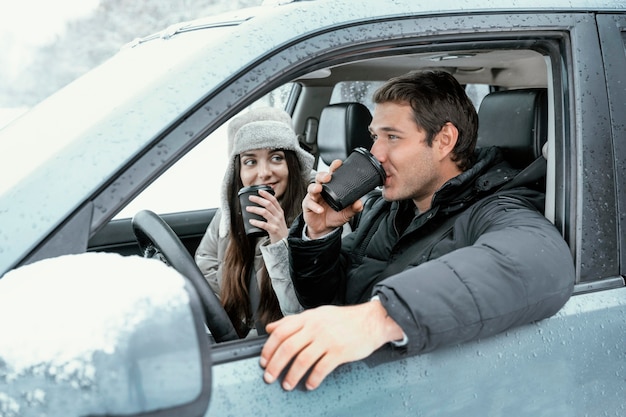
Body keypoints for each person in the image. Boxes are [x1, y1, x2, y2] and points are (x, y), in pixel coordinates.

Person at [260, 71, 575, 391]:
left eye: (392, 137)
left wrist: (378, 319)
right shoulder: (384, 208)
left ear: (443, 140)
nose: (377, 154)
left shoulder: (496, 209)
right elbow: (323, 299)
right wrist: (319, 236)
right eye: (374, 137)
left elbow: (538, 261)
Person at [195, 107, 314, 338]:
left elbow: (310, 310)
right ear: (237, 171)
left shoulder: (318, 210)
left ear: (292, 162)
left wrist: (282, 240)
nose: (264, 173)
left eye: (276, 158)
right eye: (250, 161)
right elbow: (206, 271)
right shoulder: (229, 214)